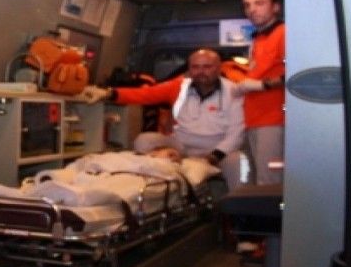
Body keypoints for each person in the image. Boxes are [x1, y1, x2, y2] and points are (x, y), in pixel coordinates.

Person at [82, 48, 245, 190]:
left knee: (238, 161)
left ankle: (238, 207)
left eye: (207, 67)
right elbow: (146, 94)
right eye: (195, 67)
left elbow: (236, 134)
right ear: (189, 69)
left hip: (217, 149)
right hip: (182, 145)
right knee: (145, 140)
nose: (201, 71)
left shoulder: (235, 92)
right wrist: (109, 93)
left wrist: (211, 157)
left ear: (218, 68)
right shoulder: (179, 87)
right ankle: (152, 190)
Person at [234, 0, 285, 185]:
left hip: (274, 119)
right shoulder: (259, 39)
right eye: (247, 5)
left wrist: (261, 85)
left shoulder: (284, 33)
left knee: (270, 182)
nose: (252, 10)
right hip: (255, 119)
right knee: (258, 181)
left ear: (276, 7)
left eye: (259, 3)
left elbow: (298, 74)